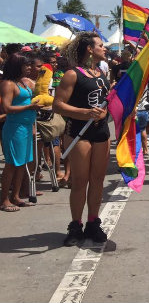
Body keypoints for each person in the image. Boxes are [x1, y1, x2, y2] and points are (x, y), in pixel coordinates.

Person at [53, 33, 111, 245]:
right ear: (89, 48)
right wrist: (85, 112)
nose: (104, 49)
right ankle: (75, 225)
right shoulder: (72, 74)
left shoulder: (101, 73)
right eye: (101, 45)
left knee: (97, 180)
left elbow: (105, 103)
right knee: (80, 182)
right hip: (78, 132)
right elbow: (58, 105)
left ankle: (93, 223)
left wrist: (107, 110)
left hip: (101, 132)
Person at [0, 54, 42, 212]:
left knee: (22, 163)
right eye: (26, 65)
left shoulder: (21, 83)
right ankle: (4, 199)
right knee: (11, 164)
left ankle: (15, 196)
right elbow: (7, 108)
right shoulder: (8, 84)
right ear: (17, 66)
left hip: (25, 127)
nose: (29, 68)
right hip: (14, 128)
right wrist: (28, 108)